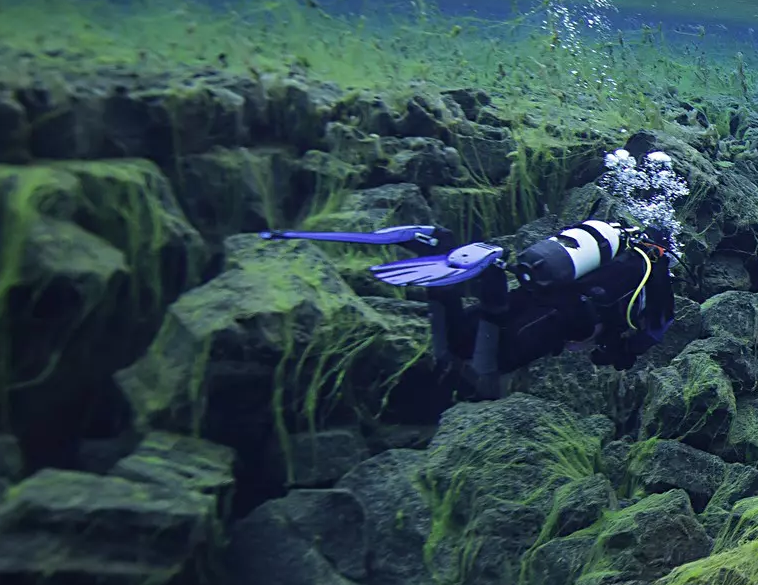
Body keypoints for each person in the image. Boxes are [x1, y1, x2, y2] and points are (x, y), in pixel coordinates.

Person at [263, 142, 688, 400]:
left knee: (469, 336)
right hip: (558, 320)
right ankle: (477, 271)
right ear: (664, 246)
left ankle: (443, 245)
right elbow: (656, 327)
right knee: (485, 360)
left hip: (537, 285)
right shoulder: (653, 267)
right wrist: (621, 354)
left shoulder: (615, 246)